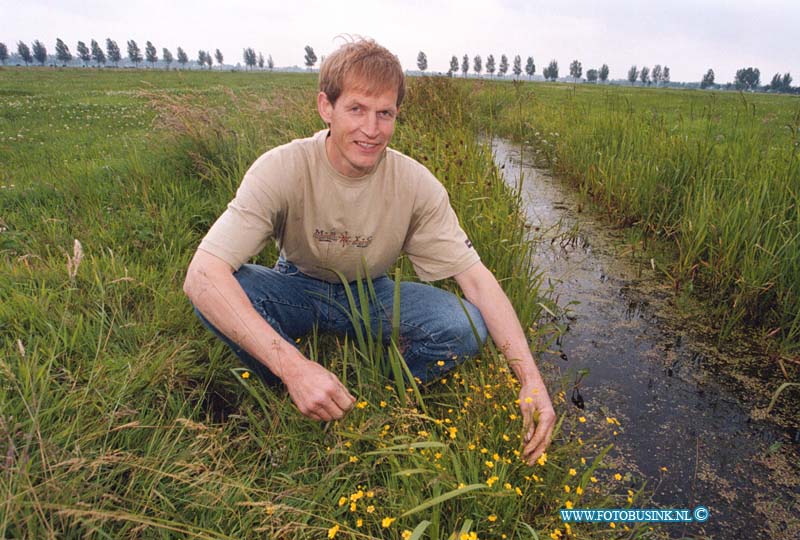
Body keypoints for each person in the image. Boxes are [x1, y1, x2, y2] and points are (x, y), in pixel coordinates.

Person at [183, 38, 555, 464]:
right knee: (222, 294)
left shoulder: (415, 185)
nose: (371, 129)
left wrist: (531, 380)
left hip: (369, 293)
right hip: (296, 285)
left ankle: (376, 392)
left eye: (385, 113)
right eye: (356, 109)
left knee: (463, 323)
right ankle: (291, 384)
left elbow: (476, 280)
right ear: (326, 106)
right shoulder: (282, 167)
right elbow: (202, 274)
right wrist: (295, 368)